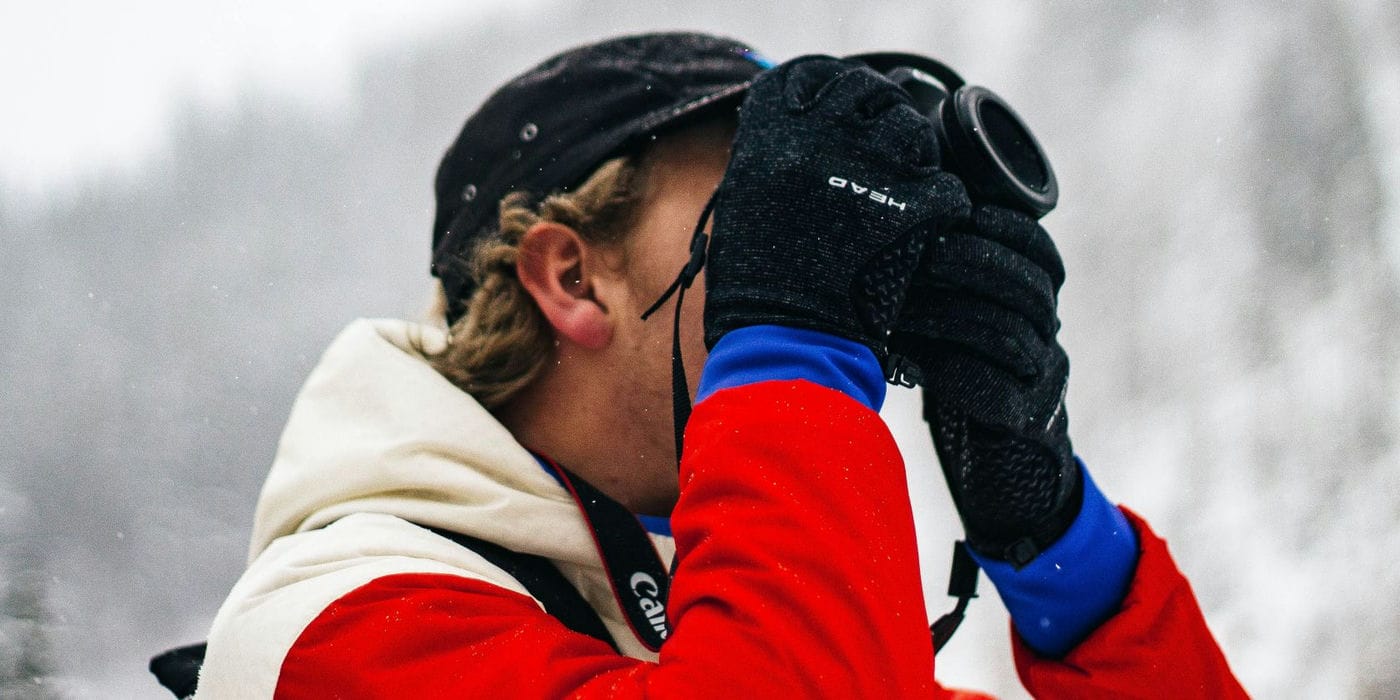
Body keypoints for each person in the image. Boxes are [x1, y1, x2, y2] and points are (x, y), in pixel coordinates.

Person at [191, 32, 1247, 698]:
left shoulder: (735, 616)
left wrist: (1054, 537)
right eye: (754, 219)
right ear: (570, 278)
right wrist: (789, 345)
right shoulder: (330, 630)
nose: (830, 263)